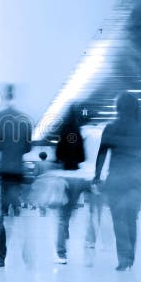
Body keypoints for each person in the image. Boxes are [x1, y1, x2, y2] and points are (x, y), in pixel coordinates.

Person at [93, 92, 141, 271]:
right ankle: (130, 256)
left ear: (118, 108)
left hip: (115, 179)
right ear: (136, 108)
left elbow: (101, 155)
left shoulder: (110, 128)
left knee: (118, 220)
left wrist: (97, 176)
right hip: (135, 179)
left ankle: (124, 257)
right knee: (131, 218)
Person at [0, 84, 33, 267]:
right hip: (19, 172)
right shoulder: (24, 119)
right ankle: (28, 251)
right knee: (19, 211)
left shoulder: (0, 117)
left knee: (2, 214)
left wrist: (5, 147)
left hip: (6, 171)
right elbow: (28, 147)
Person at [54, 104, 88, 264]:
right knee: (70, 213)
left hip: (64, 177)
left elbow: (58, 154)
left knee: (62, 216)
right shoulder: (78, 132)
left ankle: (61, 254)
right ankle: (66, 230)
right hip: (77, 177)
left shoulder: (63, 131)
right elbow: (82, 157)